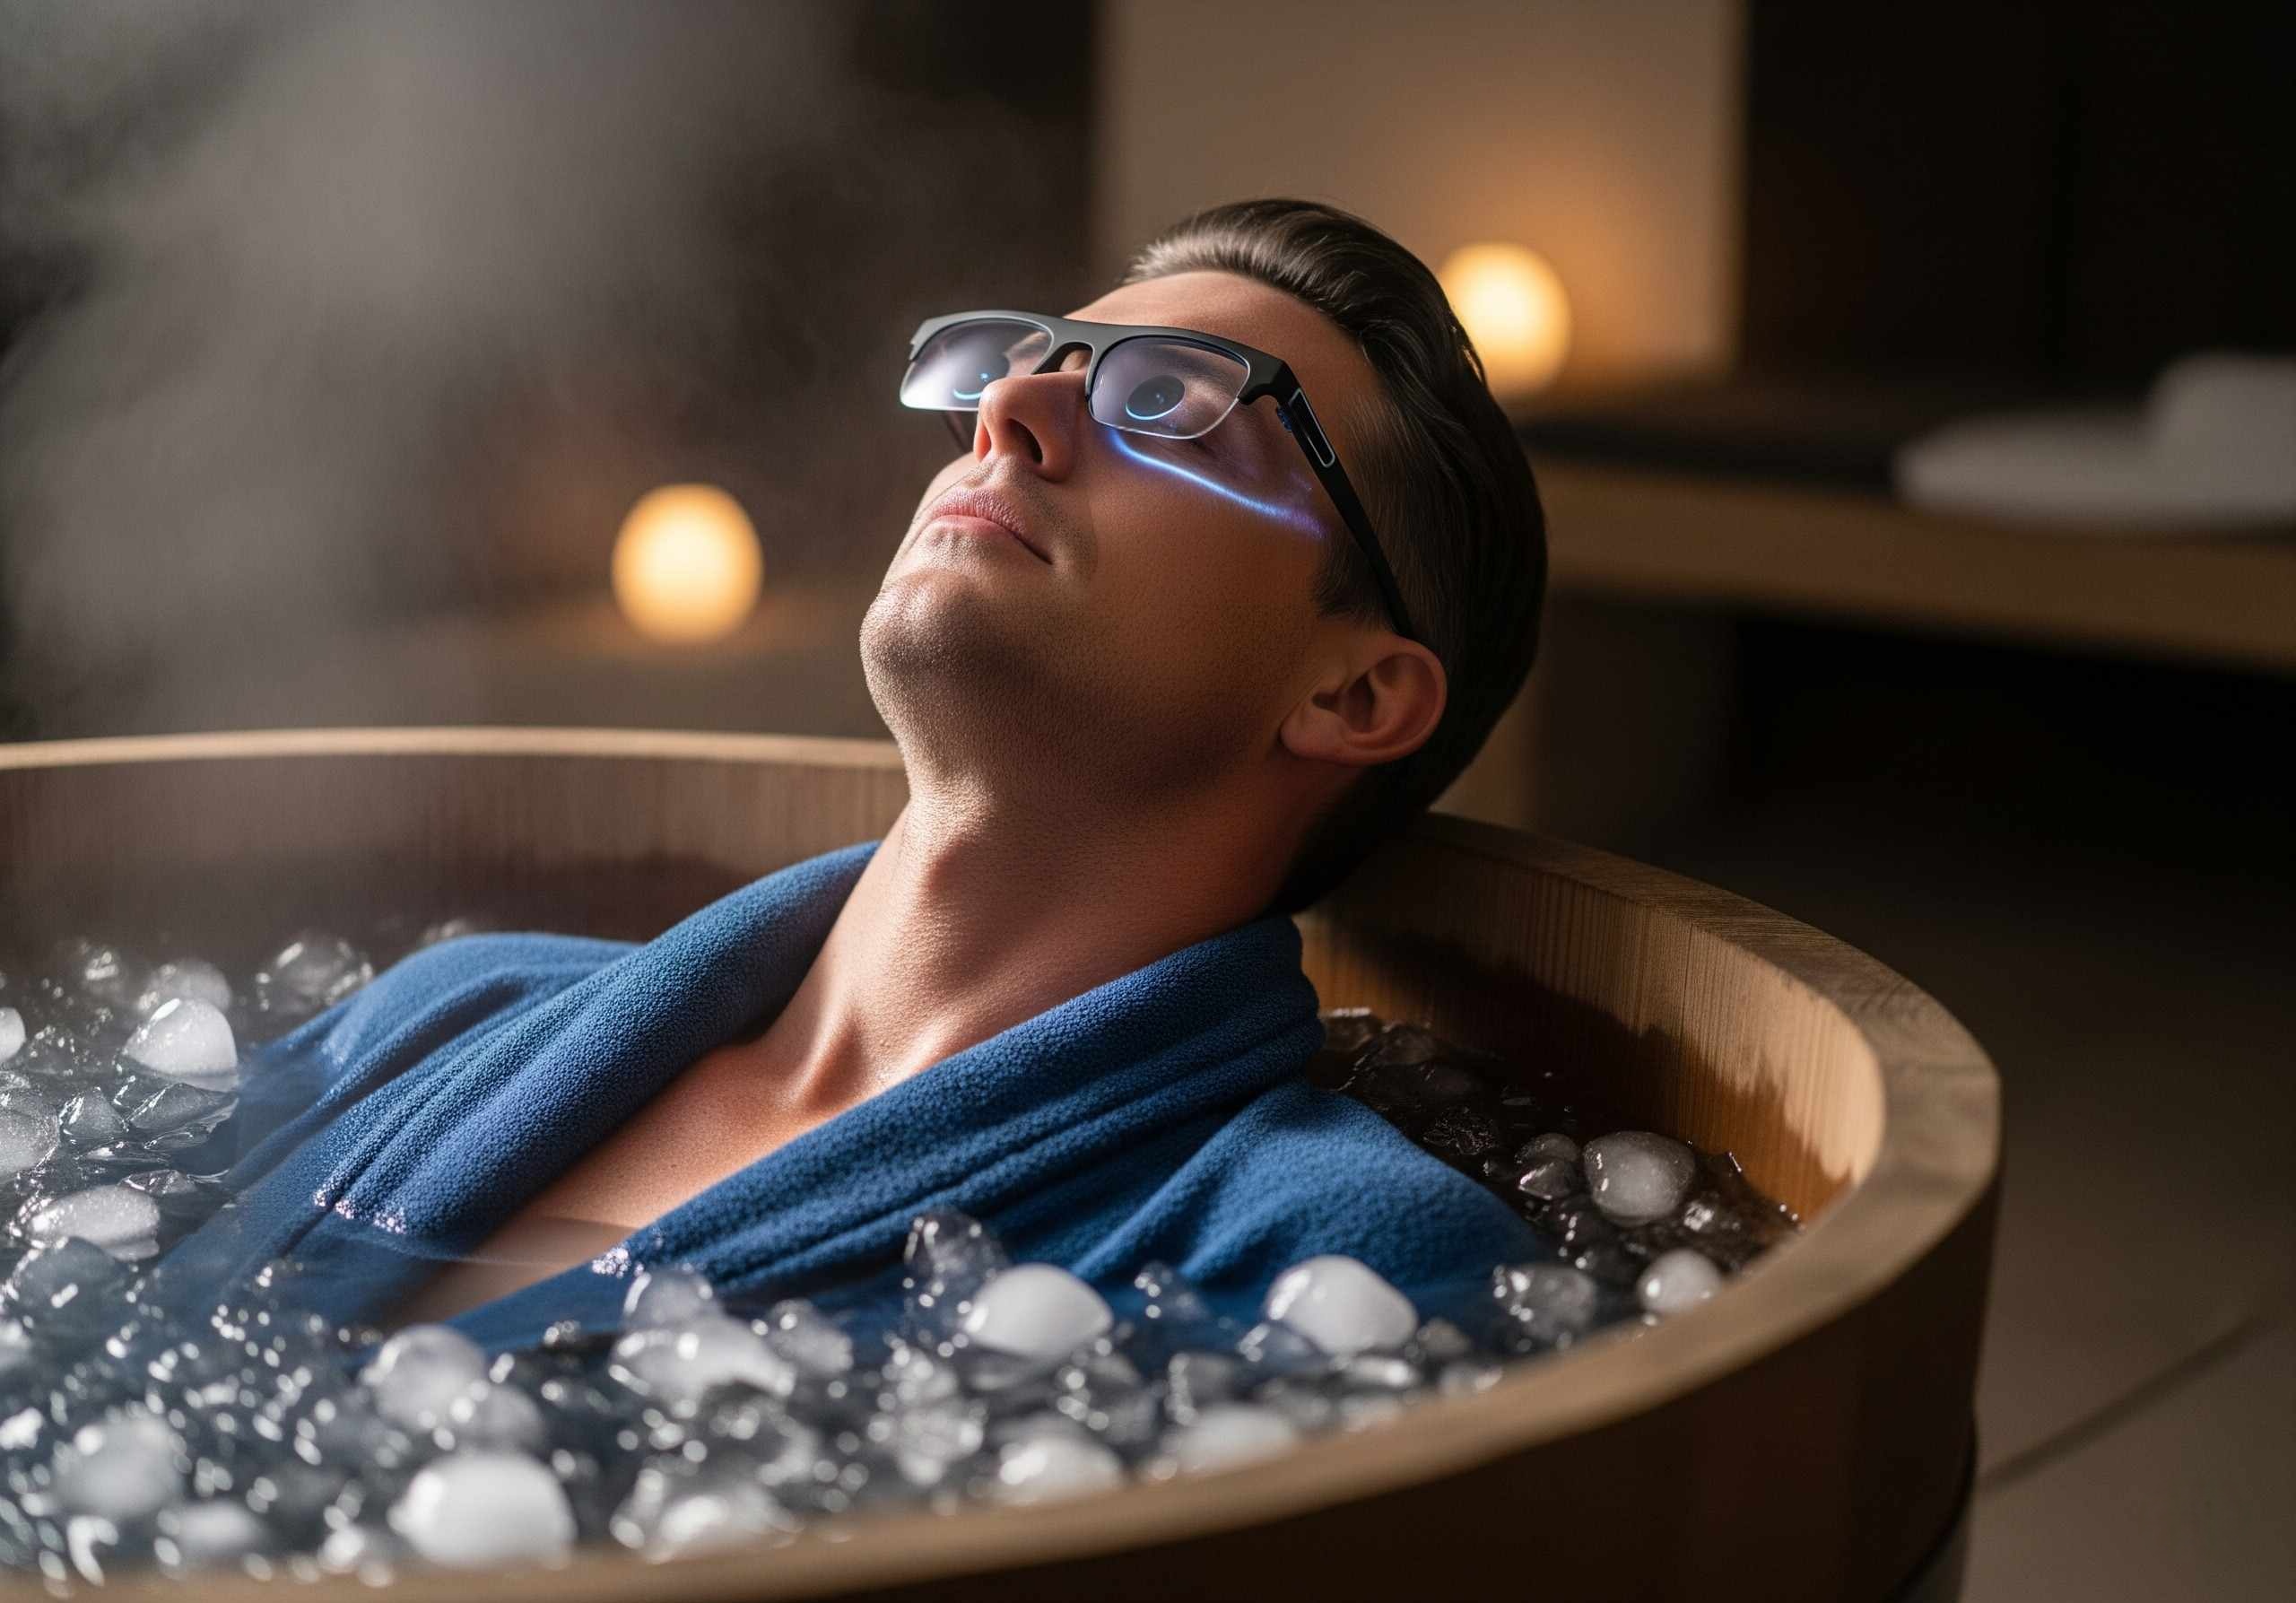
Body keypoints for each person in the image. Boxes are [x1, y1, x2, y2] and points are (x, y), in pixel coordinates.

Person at [165, 197, 1551, 1351]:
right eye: (1033, 362)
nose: (1010, 408)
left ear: (1353, 692)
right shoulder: (438, 1014)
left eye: (1171, 400)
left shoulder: (1330, 1270)